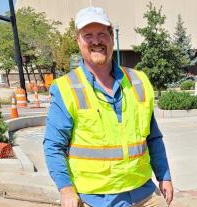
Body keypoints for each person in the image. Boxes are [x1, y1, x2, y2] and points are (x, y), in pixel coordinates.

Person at [44, 7, 173, 207]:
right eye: (88, 35)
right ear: (78, 41)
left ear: (111, 38)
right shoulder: (66, 88)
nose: (96, 41)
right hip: (95, 199)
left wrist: (164, 175)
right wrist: (66, 189)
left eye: (102, 34)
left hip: (144, 193)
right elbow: (54, 146)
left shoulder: (138, 81)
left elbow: (153, 137)